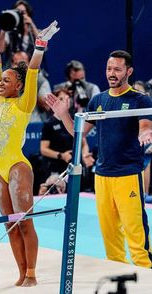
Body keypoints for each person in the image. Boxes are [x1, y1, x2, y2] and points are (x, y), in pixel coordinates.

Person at [46, 50, 152, 268]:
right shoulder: (98, 100)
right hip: (102, 177)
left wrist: (145, 133)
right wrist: (64, 115)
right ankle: (119, 279)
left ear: (129, 71)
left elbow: (145, 126)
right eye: (109, 68)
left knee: (136, 237)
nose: (111, 73)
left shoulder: (140, 99)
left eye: (117, 69)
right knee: (110, 238)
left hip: (128, 176)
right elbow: (78, 134)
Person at [0, 9, 59, 286]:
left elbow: (34, 69)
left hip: (16, 166)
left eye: (6, 81)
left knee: (25, 221)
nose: (0, 83)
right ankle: (21, 272)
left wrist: (40, 44)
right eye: (0, 81)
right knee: (9, 225)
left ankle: (33, 275)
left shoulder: (23, 105)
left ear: (19, 86)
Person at [40, 87, 73, 179]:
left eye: (67, 98)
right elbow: (43, 149)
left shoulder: (73, 121)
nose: (65, 102)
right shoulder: (49, 124)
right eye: (61, 99)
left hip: (71, 166)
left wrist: (85, 154)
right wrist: (61, 156)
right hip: (54, 167)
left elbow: (83, 142)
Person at [11, 50, 51, 122]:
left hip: (34, 125)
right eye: (16, 63)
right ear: (11, 65)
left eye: (23, 63)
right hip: (13, 124)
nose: (19, 67)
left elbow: (47, 106)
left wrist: (30, 85)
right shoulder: (6, 80)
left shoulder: (40, 81)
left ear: (29, 64)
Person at [0, 0, 39, 69]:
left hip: (32, 70)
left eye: (22, 12)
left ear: (28, 14)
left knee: (44, 80)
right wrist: (4, 26)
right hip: (11, 70)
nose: (20, 14)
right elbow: (0, 49)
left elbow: (43, 46)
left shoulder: (34, 33)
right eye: (17, 11)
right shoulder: (9, 32)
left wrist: (32, 24)